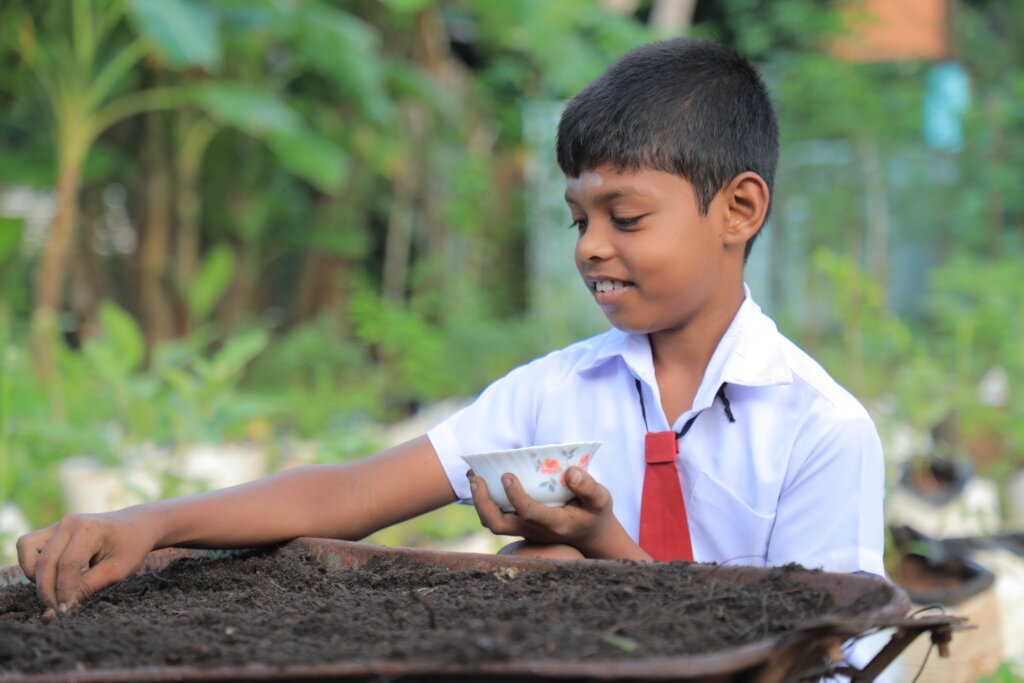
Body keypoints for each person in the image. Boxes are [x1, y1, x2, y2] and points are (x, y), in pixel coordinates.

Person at [15, 37, 884, 614]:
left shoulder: (819, 430)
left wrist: (601, 546)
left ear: (739, 209)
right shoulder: (553, 392)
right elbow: (352, 494)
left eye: (626, 217)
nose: (590, 246)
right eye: (578, 218)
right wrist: (149, 523)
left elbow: (825, 653)